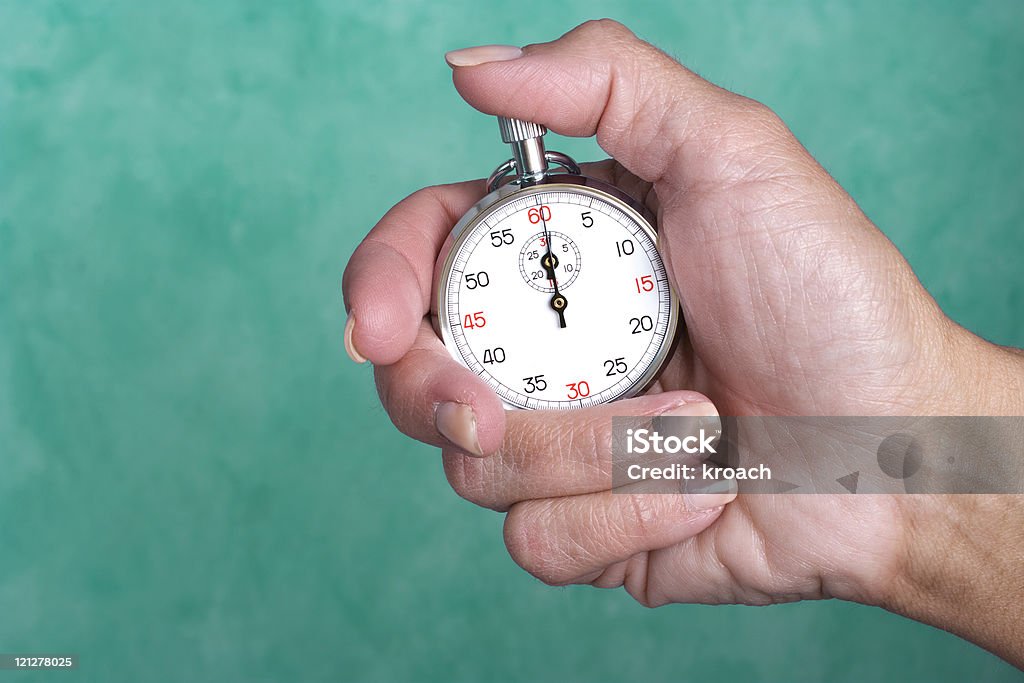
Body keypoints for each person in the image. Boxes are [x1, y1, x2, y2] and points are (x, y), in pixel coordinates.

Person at [342, 20, 1024, 668]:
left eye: (561, 290)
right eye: (556, 296)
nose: (558, 297)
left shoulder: (647, 233)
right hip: (758, 456)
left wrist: (905, 480)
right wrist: (895, 482)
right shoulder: (480, 252)